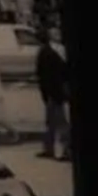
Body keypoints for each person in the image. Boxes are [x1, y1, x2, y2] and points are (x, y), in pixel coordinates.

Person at [36, 29, 71, 159]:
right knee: (54, 122)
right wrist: (44, 91)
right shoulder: (46, 51)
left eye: (59, 33)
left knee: (59, 122)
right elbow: (41, 73)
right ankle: (53, 149)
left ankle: (63, 149)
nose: (58, 36)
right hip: (52, 91)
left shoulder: (61, 50)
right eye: (55, 34)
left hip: (60, 91)